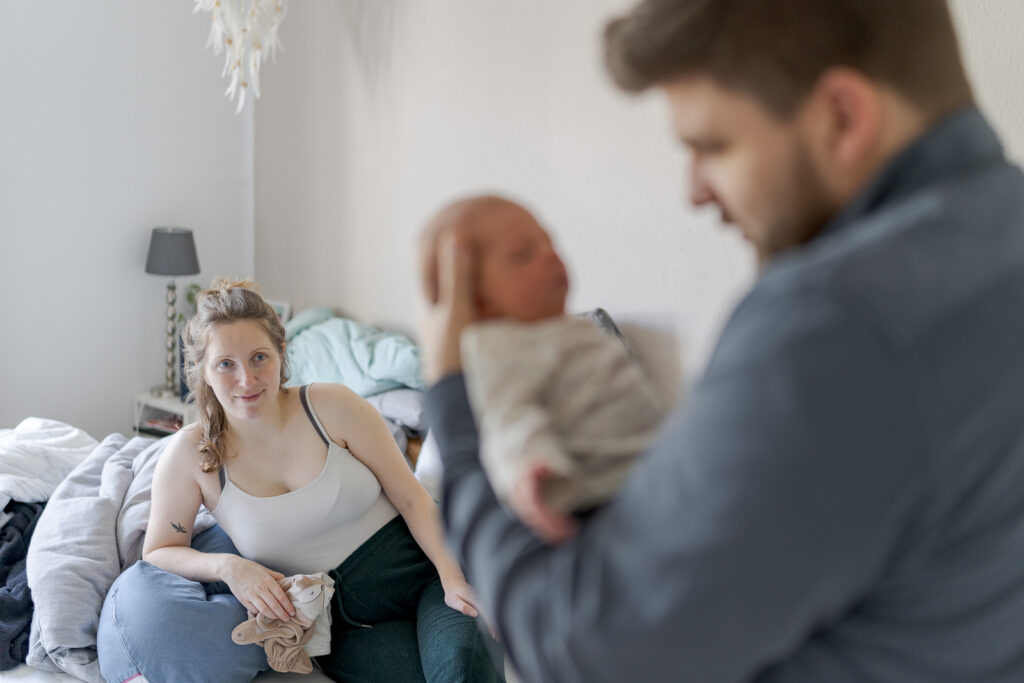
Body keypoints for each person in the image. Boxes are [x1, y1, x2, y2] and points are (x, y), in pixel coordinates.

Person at [418, 1, 1024, 681]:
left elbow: (586, 648)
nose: (696, 192)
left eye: (711, 146)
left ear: (843, 116)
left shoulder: (831, 325)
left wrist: (452, 396)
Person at [97, 279, 504, 683]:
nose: (247, 380)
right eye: (226, 364)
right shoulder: (189, 455)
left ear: (281, 353)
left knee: (460, 673)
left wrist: (453, 579)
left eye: (259, 357)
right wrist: (229, 567)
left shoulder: (332, 406)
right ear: (202, 373)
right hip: (344, 626)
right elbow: (160, 551)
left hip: (426, 574)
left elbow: (413, 497)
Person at [421, 195, 668, 539]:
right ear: (476, 299)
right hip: (592, 493)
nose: (551, 256)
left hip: (647, 466)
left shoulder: (570, 329)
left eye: (549, 242)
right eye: (523, 255)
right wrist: (535, 472)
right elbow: (509, 417)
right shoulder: (500, 348)